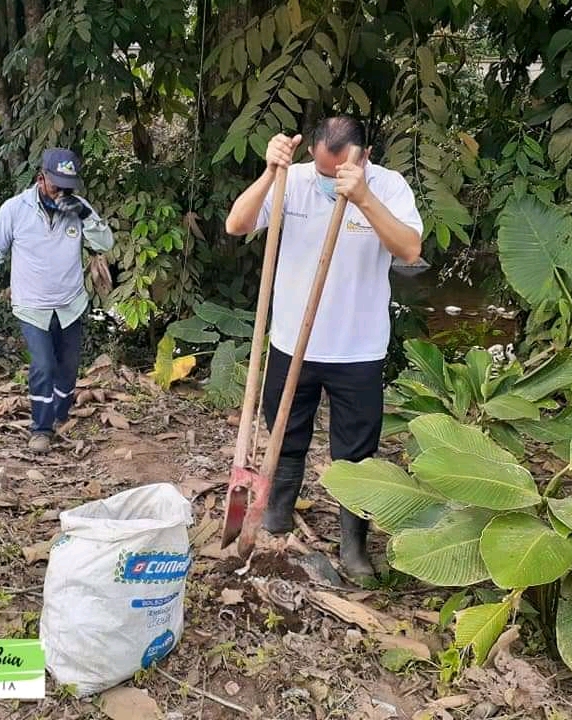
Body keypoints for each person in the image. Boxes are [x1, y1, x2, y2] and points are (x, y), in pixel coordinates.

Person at [224, 116, 423, 577]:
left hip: (358, 348)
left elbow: (410, 250)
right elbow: (237, 224)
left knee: (355, 453)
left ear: (364, 156)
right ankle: (275, 516)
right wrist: (270, 172)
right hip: (291, 340)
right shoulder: (292, 180)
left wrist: (363, 197)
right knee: (285, 434)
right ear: (310, 153)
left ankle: (353, 547)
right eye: (321, 170)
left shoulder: (389, 187)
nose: (327, 180)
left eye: (337, 173)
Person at [0, 148, 114, 453]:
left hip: (70, 304)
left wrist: (85, 214)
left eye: (67, 187)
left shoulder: (79, 208)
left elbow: (105, 243)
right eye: (56, 185)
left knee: (68, 368)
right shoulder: (14, 209)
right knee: (44, 365)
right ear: (40, 178)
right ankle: (41, 428)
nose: (61, 193)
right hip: (32, 306)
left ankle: (59, 414)